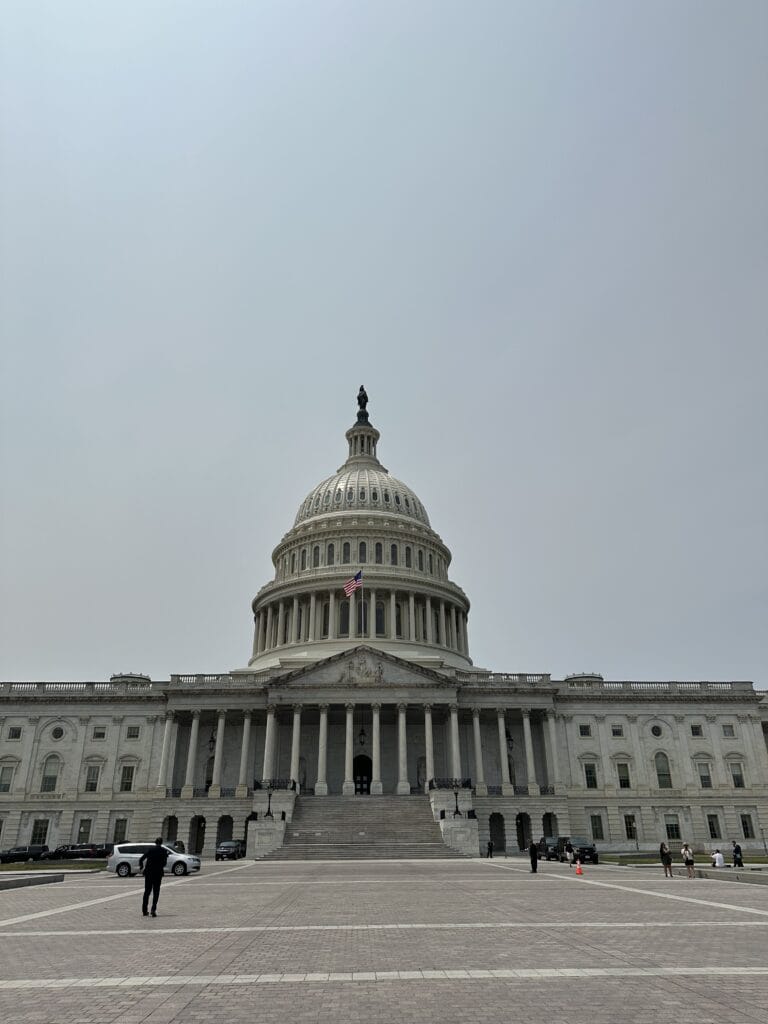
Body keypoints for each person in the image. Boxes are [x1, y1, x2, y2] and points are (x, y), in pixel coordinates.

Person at [139, 838, 169, 917]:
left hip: (149, 872)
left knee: (147, 891)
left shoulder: (150, 850)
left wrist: (141, 866)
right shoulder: (163, 851)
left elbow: (141, 859)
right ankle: (153, 909)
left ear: (155, 842)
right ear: (161, 843)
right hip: (158, 873)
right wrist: (160, 865)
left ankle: (144, 910)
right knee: (156, 892)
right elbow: (165, 863)